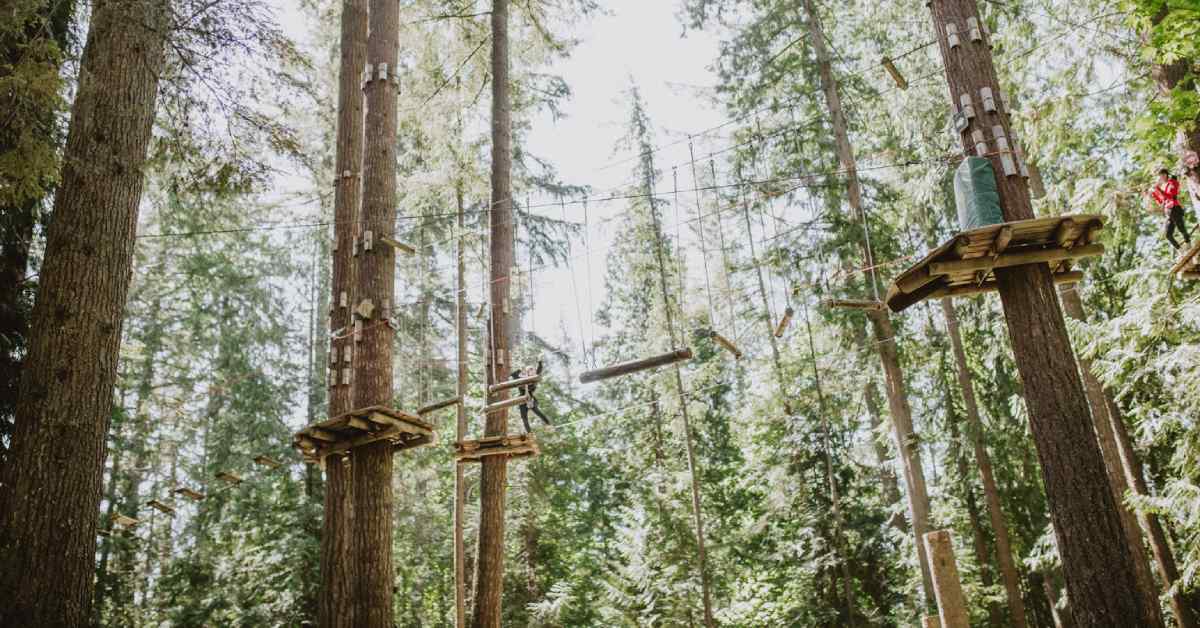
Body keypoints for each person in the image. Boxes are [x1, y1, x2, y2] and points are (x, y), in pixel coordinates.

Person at [1150, 168, 1192, 250]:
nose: (1160, 178)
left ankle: (1188, 242)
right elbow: (1161, 201)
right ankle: (1180, 250)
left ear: (1165, 175)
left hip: (1175, 208)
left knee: (1181, 228)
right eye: (1159, 176)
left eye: (1161, 175)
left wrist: (1158, 189)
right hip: (1168, 212)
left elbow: (1170, 196)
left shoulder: (1173, 182)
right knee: (1168, 235)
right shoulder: (1163, 186)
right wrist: (1154, 194)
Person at [511, 361, 551, 433]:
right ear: (527, 372)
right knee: (524, 417)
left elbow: (539, 371)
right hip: (522, 398)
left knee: (536, 410)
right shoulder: (521, 378)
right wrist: (520, 370)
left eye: (532, 370)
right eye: (530, 370)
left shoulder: (534, 378)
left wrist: (540, 363)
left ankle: (548, 423)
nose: (532, 371)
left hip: (530, 397)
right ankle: (529, 433)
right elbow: (513, 374)